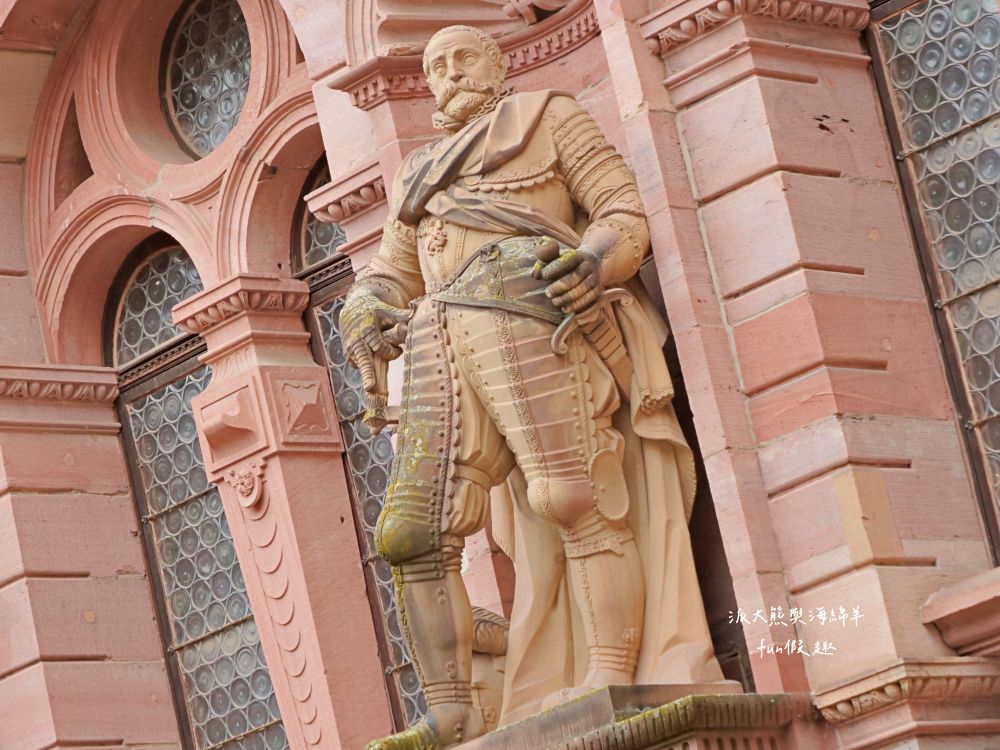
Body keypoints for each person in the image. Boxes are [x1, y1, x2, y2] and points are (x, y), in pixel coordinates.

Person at [340, 24, 723, 750]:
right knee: (411, 534)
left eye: (463, 58)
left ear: (498, 61)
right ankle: (452, 712)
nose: (450, 73)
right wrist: (365, 307)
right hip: (440, 341)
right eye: (435, 65)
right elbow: (392, 273)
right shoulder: (419, 174)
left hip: (537, 325)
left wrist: (594, 263)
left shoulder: (551, 117)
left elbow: (619, 213)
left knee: (572, 498)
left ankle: (611, 672)